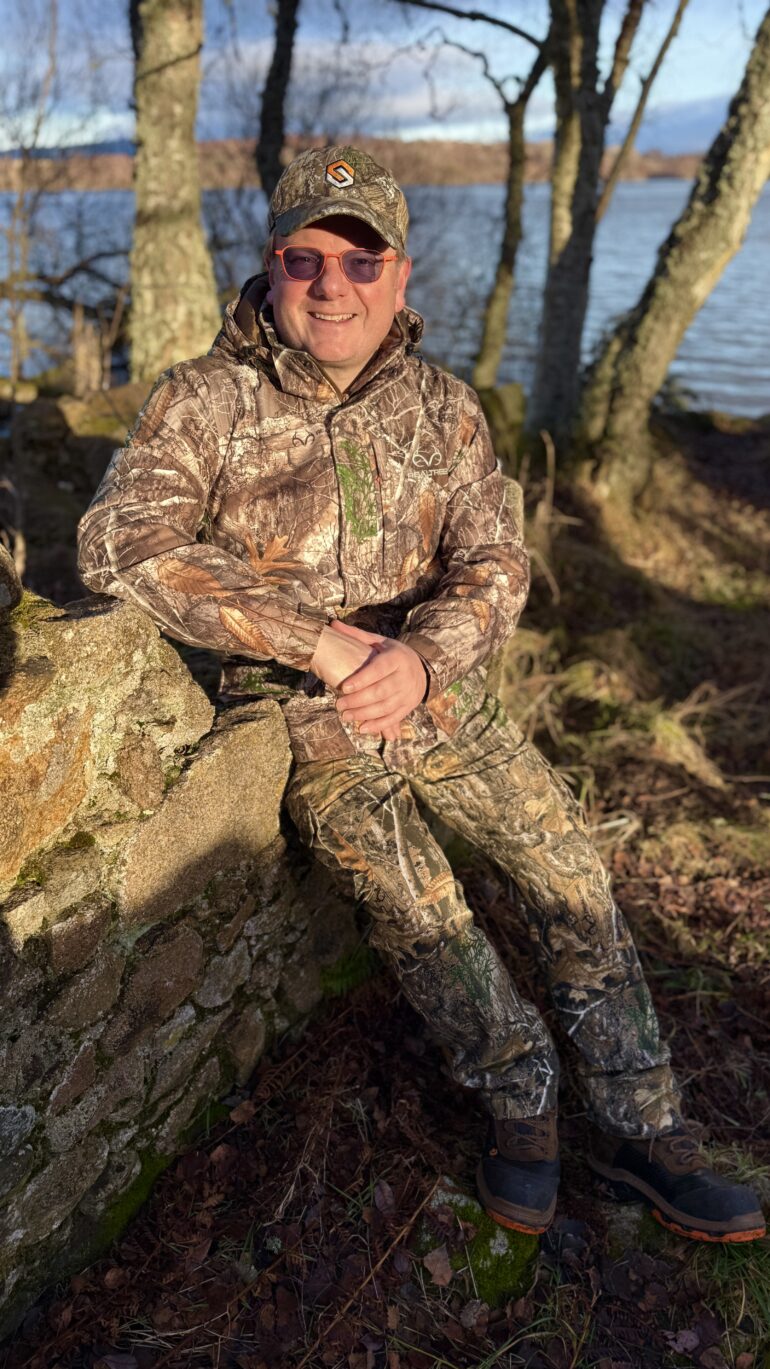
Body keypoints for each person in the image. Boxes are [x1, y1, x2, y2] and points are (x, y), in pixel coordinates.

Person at [77, 145, 765, 1244]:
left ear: (399, 276)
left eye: (361, 259)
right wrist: (326, 646)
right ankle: (521, 1101)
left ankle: (644, 1129)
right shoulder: (203, 399)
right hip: (304, 713)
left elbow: (497, 564)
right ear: (270, 266)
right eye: (305, 259)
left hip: (439, 690)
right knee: (418, 905)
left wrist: (424, 657)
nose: (330, 285)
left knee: (563, 861)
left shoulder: (442, 407)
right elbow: (118, 541)